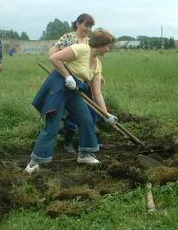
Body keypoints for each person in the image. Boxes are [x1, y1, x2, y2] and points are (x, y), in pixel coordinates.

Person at [25, 29, 117, 173]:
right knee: (53, 125)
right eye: (108, 45)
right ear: (101, 44)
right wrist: (68, 76)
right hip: (59, 86)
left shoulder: (97, 64)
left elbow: (97, 93)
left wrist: (106, 115)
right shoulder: (81, 49)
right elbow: (54, 58)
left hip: (74, 91)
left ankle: (85, 154)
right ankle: (34, 163)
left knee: (86, 119)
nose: (109, 48)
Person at [48, 13, 98, 153]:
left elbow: (91, 61)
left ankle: (84, 143)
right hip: (69, 81)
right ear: (77, 24)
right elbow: (52, 54)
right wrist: (65, 74)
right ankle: (68, 142)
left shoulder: (88, 41)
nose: (88, 28)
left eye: (90, 26)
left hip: (84, 82)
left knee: (89, 113)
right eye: (86, 25)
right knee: (71, 114)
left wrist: (97, 76)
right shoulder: (68, 37)